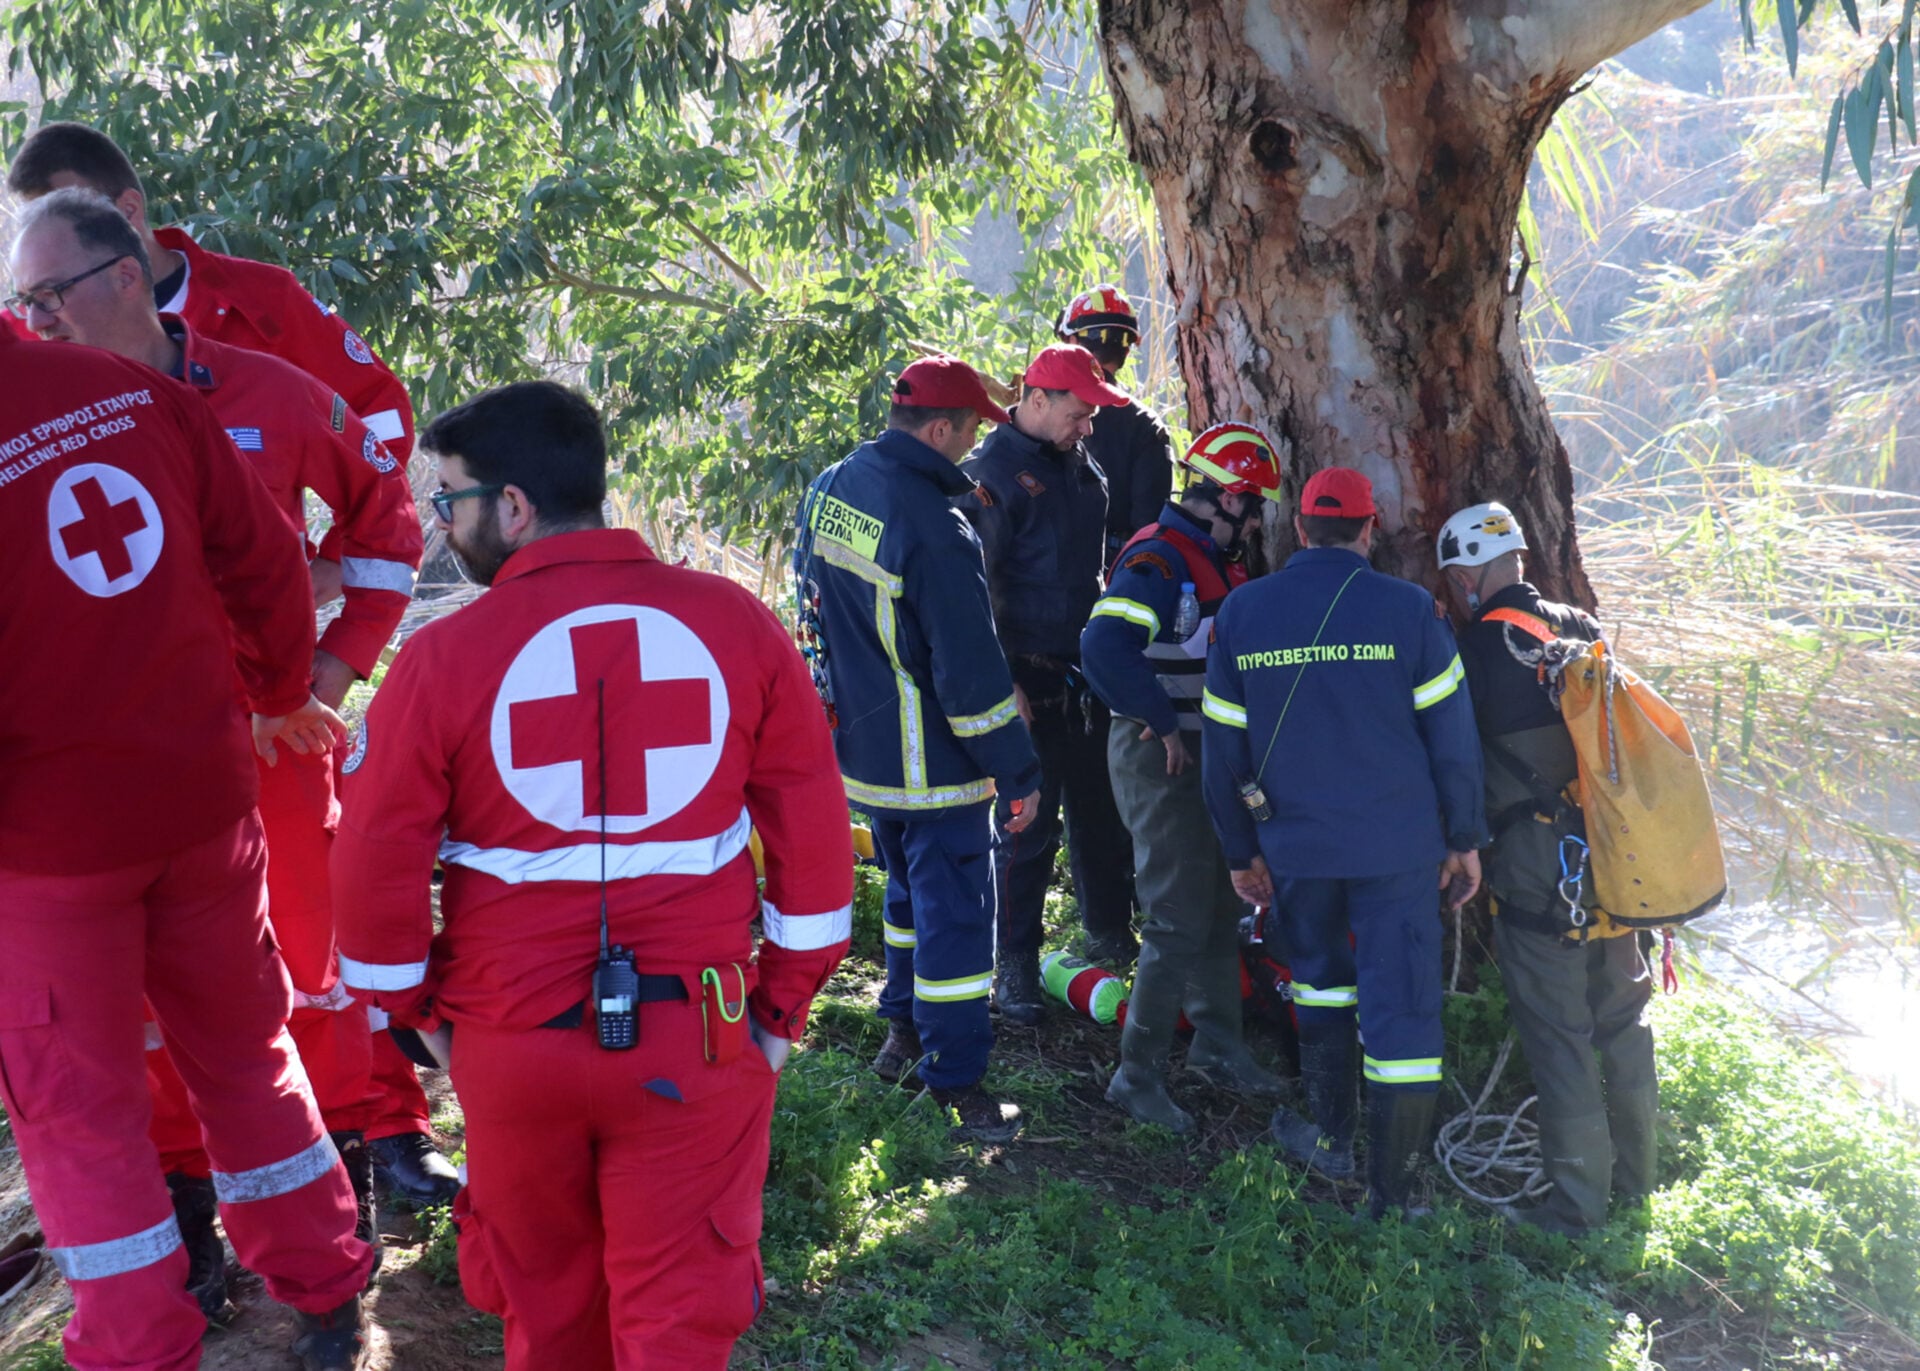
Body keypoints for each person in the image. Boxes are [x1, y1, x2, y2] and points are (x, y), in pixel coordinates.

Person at [331, 381, 852, 1368]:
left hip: (509, 1040)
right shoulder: (739, 625)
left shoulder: (441, 660)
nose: (445, 529)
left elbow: (371, 868)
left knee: (546, 1308)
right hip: (694, 1035)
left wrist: (432, 1025)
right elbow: (817, 861)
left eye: (450, 501)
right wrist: (777, 1018)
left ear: (515, 505)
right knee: (679, 1314)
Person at [6, 119, 454, 1206]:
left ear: (127, 222)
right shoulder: (35, 375)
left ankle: (377, 1130)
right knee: (159, 984)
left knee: (322, 935)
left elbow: (379, 480)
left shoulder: (257, 339)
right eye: (31, 290)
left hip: (271, 715)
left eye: (64, 270)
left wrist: (322, 664)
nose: (43, 307)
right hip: (121, 738)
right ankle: (187, 1186)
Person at [0, 299, 375, 1367]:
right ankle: (327, 1287)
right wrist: (264, 694)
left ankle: (135, 1344)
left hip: (48, 850)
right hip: (208, 805)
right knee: (248, 1052)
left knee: (81, 1112)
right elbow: (266, 562)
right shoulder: (135, 391)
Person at [1201, 467, 1488, 1217]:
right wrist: (1463, 837)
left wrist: (1241, 852)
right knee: (1404, 1016)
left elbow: (1220, 753)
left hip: (1294, 851)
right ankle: (1396, 1194)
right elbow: (1454, 739)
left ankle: (1331, 1136)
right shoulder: (1410, 612)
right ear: (1369, 529)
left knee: (1322, 983)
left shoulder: (1242, 612)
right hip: (1396, 852)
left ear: (1299, 528)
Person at [797, 355, 1041, 1141]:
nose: (973, 448)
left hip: (866, 755)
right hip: (937, 767)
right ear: (940, 429)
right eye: (971, 431)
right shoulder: (937, 528)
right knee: (958, 924)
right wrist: (1017, 767)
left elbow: (810, 610)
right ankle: (957, 1081)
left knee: (906, 901)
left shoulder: (833, 485)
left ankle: (901, 1034)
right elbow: (968, 675)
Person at [1437, 501, 1657, 1235]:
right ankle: (1637, 1181)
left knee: (1560, 1033)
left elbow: (1455, 763)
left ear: (1467, 577)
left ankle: (1576, 1207)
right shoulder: (1582, 630)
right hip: (1613, 858)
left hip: (1537, 867)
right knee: (1623, 1022)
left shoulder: (1473, 652)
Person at [1080, 423, 1292, 1132]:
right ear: (1224, 497)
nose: (1259, 519)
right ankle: (1134, 1077)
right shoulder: (1160, 558)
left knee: (1215, 904)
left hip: (1204, 757)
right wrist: (1162, 721)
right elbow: (1104, 644)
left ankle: (1218, 1046)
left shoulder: (1213, 558)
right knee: (1174, 916)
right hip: (1159, 755)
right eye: (1253, 503)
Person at [960, 341, 1140, 1021]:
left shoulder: (1081, 466)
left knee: (1101, 810)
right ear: (1036, 400)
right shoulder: (991, 475)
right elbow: (971, 593)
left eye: (1095, 414)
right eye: (1079, 411)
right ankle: (1014, 967)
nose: (1088, 425)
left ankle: (1108, 935)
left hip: (1081, 673)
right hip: (1022, 679)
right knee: (1026, 826)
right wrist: (1002, 683)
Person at [1053, 283, 1175, 572]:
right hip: (1117, 572)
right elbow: (1151, 524)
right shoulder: (1146, 427)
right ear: (1127, 350)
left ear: (1072, 344)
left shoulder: (1045, 410)